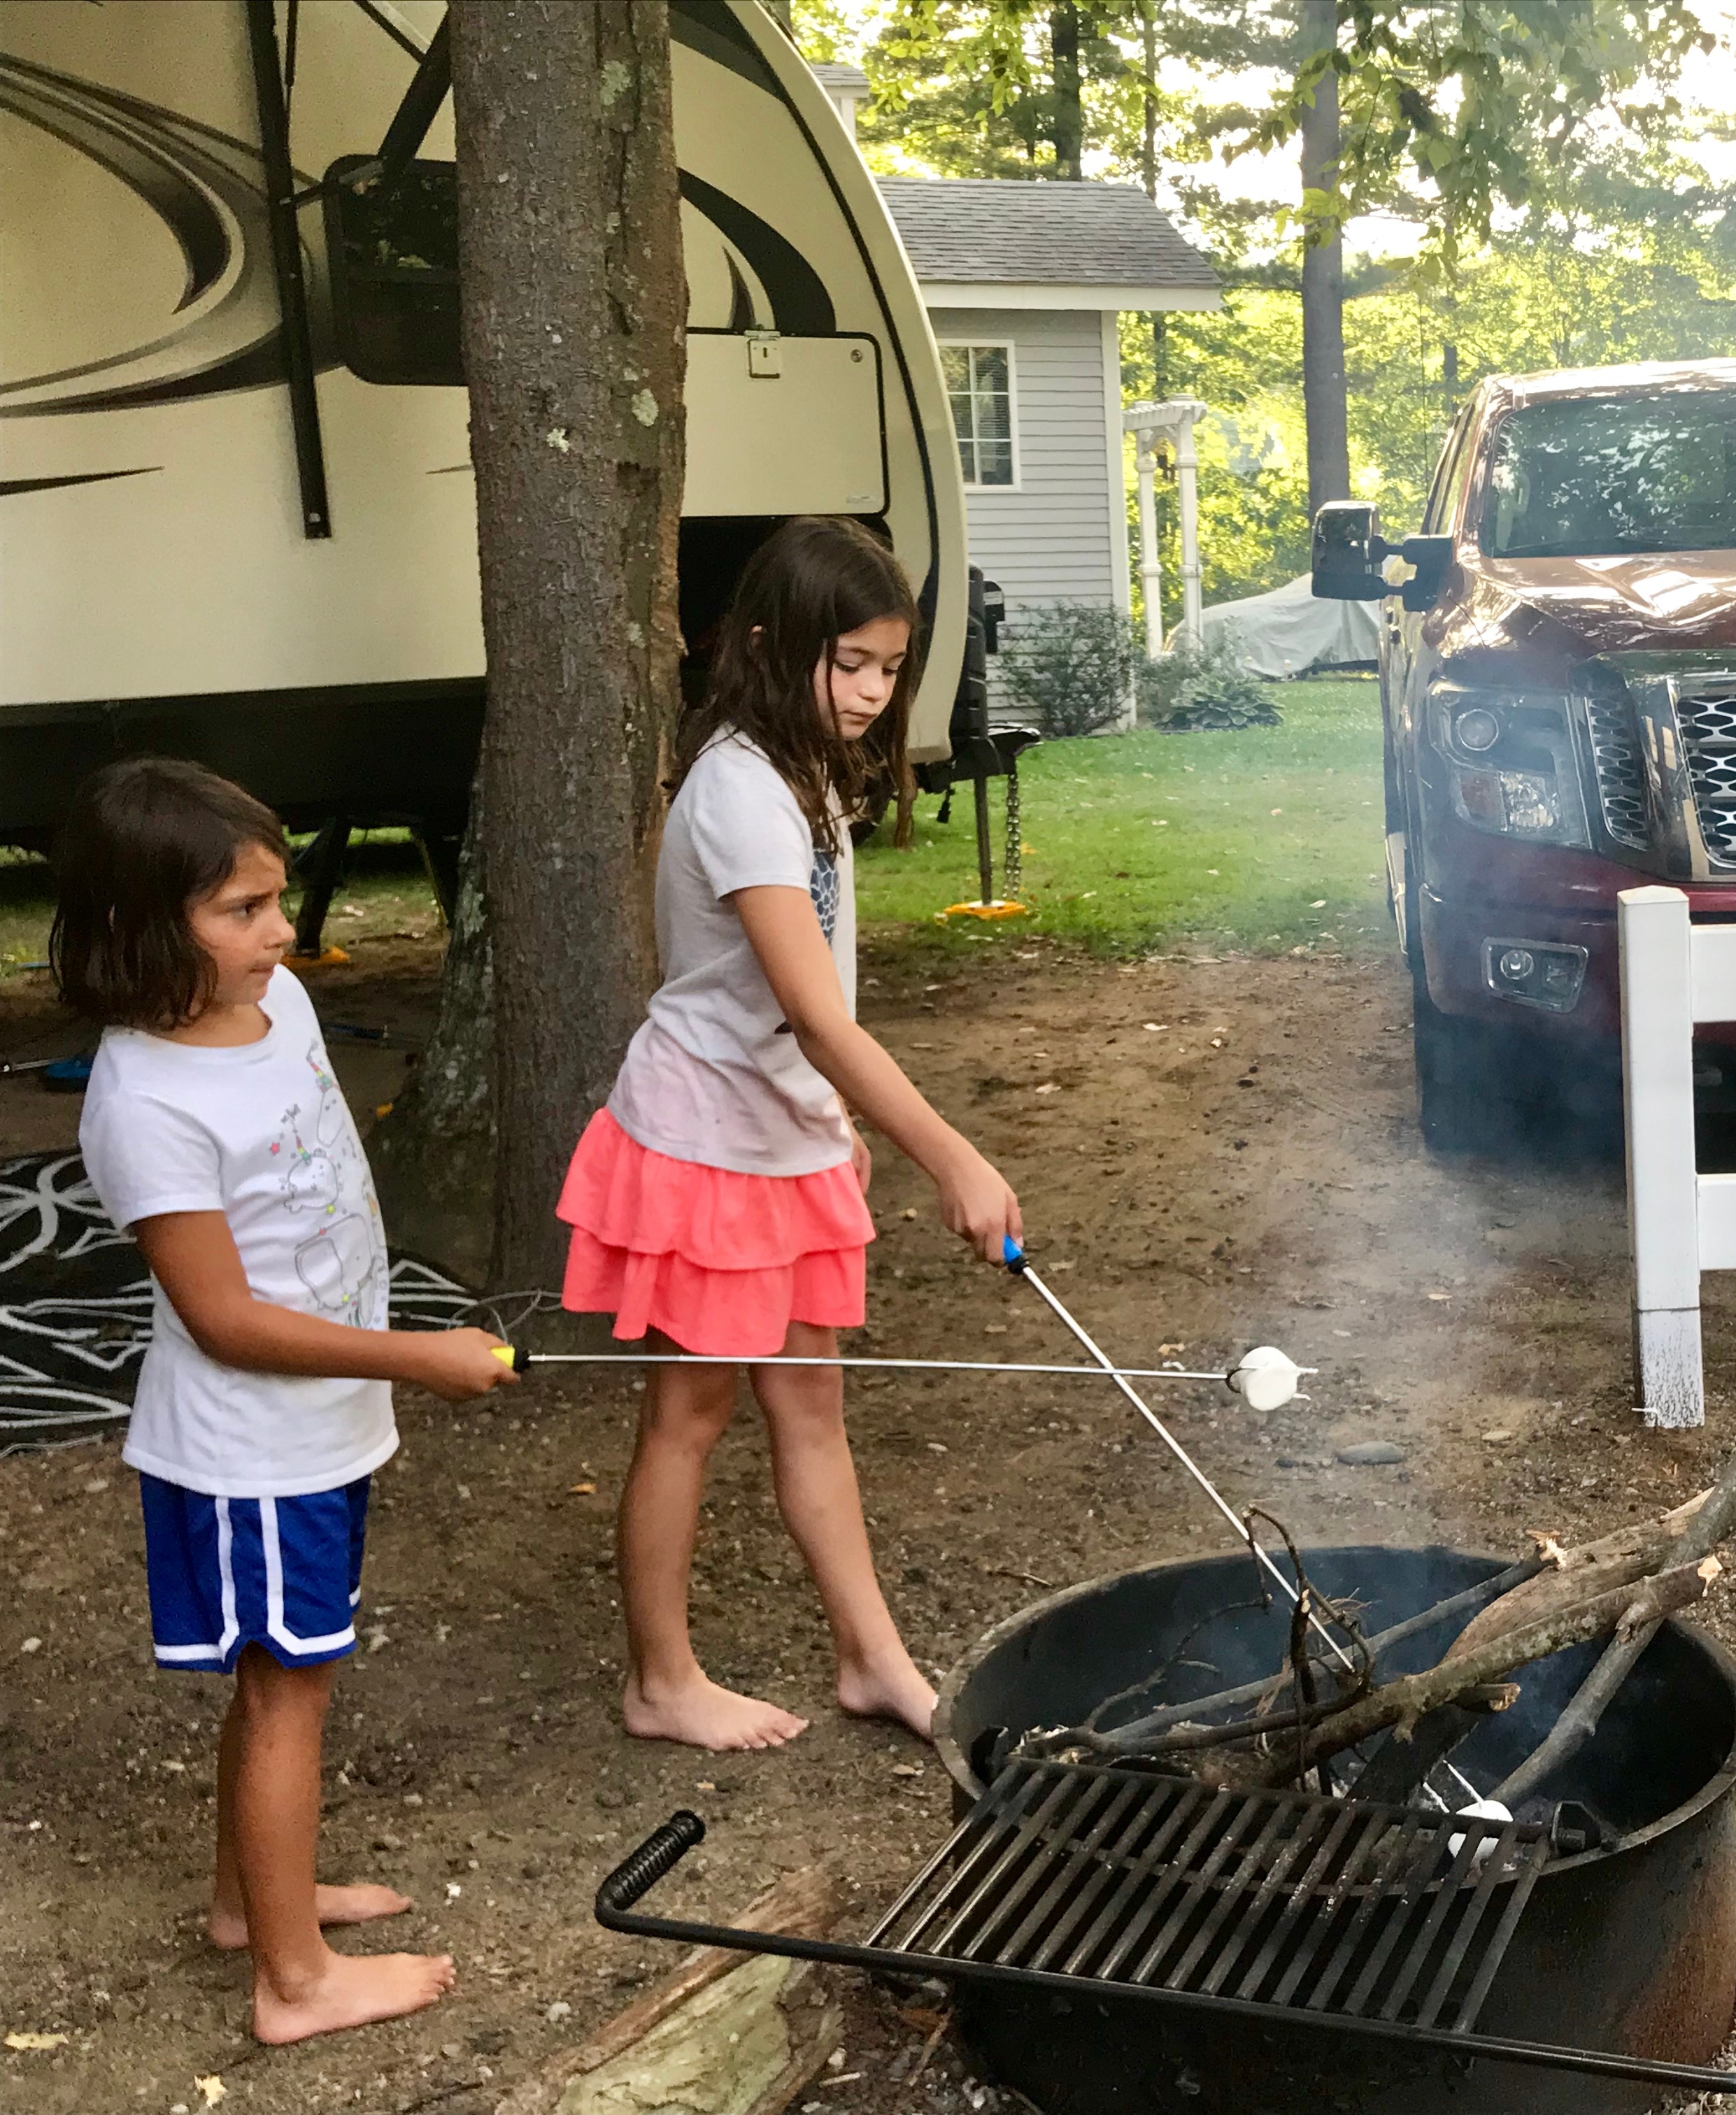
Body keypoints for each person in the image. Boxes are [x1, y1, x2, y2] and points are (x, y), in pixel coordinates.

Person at [55, 760, 518, 2044]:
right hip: (249, 1455)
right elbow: (224, 1318)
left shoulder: (286, 1006)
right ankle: (294, 1980)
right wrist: (416, 1356)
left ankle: (245, 1906)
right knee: (286, 1693)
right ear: (140, 927)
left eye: (275, 900)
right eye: (242, 912)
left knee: (283, 1679)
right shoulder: (146, 1098)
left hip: (319, 1429)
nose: (282, 932)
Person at [559, 514, 1023, 1754]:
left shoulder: (806, 769)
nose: (872, 692)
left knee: (811, 1408)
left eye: (889, 667)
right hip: (703, 1146)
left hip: (779, 1138)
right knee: (689, 1416)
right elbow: (816, 1019)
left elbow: (804, 1010)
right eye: (849, 664)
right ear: (773, 646)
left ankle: (872, 1660)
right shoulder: (739, 792)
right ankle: (661, 1680)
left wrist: (831, 1131)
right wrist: (954, 1155)